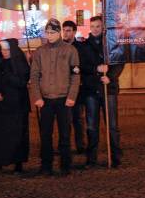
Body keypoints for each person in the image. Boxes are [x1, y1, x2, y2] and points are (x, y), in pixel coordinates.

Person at [30, 19, 80, 176]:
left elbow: (75, 76)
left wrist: (72, 96)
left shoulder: (70, 50)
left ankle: (65, 165)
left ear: (59, 33)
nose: (49, 35)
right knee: (45, 135)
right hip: (45, 100)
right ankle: (46, 165)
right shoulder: (40, 51)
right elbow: (35, 75)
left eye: (52, 32)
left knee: (65, 134)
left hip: (64, 99)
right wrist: (37, 96)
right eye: (47, 32)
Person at [78, 16, 125, 167]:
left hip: (108, 89)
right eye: (93, 26)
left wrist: (110, 77)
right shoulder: (84, 46)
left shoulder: (110, 44)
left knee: (112, 126)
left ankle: (115, 157)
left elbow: (119, 62)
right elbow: (82, 66)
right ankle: (91, 159)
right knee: (91, 126)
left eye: (98, 26)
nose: (95, 29)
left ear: (102, 27)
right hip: (91, 90)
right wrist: (96, 69)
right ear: (90, 27)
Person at [0, 39, 31, 175]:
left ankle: (18, 164)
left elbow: (22, 82)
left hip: (17, 106)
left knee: (18, 135)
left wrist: (7, 76)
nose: (4, 53)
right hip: (2, 106)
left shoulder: (20, 64)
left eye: (7, 50)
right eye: (2, 50)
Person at [62, 20, 85, 154]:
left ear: (74, 32)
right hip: (62, 88)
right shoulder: (58, 47)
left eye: (68, 30)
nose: (65, 33)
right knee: (64, 119)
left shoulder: (80, 48)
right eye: (64, 30)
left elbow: (82, 66)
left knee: (77, 118)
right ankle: (65, 145)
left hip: (77, 89)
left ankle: (80, 145)